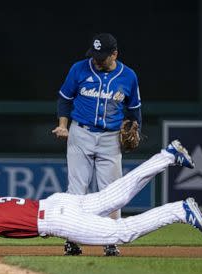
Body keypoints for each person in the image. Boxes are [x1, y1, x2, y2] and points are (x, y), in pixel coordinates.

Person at [0, 140, 202, 257]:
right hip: (59, 203)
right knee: (119, 193)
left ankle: (180, 210)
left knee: (121, 232)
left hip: (58, 218)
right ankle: (167, 156)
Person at [51, 33, 142, 257]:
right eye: (94, 55)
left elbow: (134, 109)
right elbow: (64, 98)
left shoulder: (128, 76)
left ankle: (110, 240)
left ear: (115, 54)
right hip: (80, 133)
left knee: (111, 192)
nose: (96, 60)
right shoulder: (79, 69)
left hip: (111, 138)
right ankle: (72, 240)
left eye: (102, 56)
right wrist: (63, 125)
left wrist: (134, 128)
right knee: (76, 190)